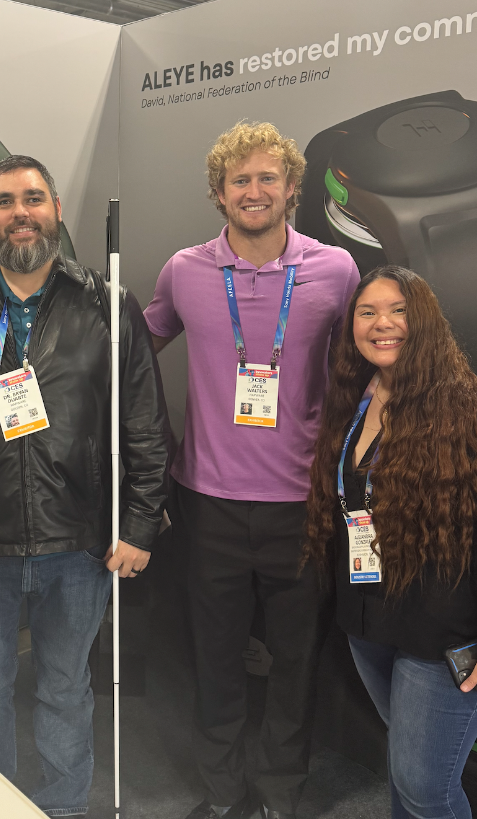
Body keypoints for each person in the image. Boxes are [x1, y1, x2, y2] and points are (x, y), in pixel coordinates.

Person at [0, 155, 170, 816]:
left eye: (32, 198)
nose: (19, 212)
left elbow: (144, 422)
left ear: (55, 208)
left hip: (80, 544)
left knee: (64, 690)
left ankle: (63, 806)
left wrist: (139, 524)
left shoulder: (107, 303)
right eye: (3, 201)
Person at [144, 121, 360, 819]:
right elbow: (133, 348)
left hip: (303, 504)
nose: (255, 190)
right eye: (241, 180)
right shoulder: (185, 271)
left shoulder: (334, 270)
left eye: (269, 178)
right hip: (207, 502)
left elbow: (362, 367)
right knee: (218, 657)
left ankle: (280, 793)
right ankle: (221, 790)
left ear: (293, 188)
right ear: (219, 193)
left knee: (296, 661)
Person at [305, 265, 477, 819]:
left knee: (427, 788)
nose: (384, 324)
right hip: (370, 621)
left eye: (399, 311)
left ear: (423, 322)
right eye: (368, 312)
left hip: (442, 634)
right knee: (404, 779)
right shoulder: (360, 395)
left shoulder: (462, 405)